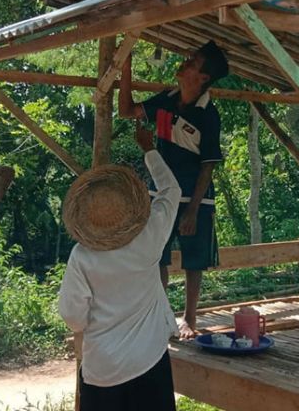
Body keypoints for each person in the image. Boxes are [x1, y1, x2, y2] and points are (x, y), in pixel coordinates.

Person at [58, 125, 181, 411]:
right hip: (150, 360)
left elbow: (72, 316)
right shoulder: (149, 235)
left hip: (104, 368)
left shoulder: (82, 256)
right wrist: (148, 148)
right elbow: (171, 190)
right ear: (130, 202)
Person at [119, 40, 229, 339]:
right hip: (161, 195)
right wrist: (125, 68)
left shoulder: (208, 114)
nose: (185, 59)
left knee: (195, 261)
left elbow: (208, 164)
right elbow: (126, 110)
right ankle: (161, 314)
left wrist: (193, 209)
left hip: (196, 198)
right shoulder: (167, 99)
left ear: (203, 77)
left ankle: (189, 320)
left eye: (192, 60)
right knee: (158, 256)